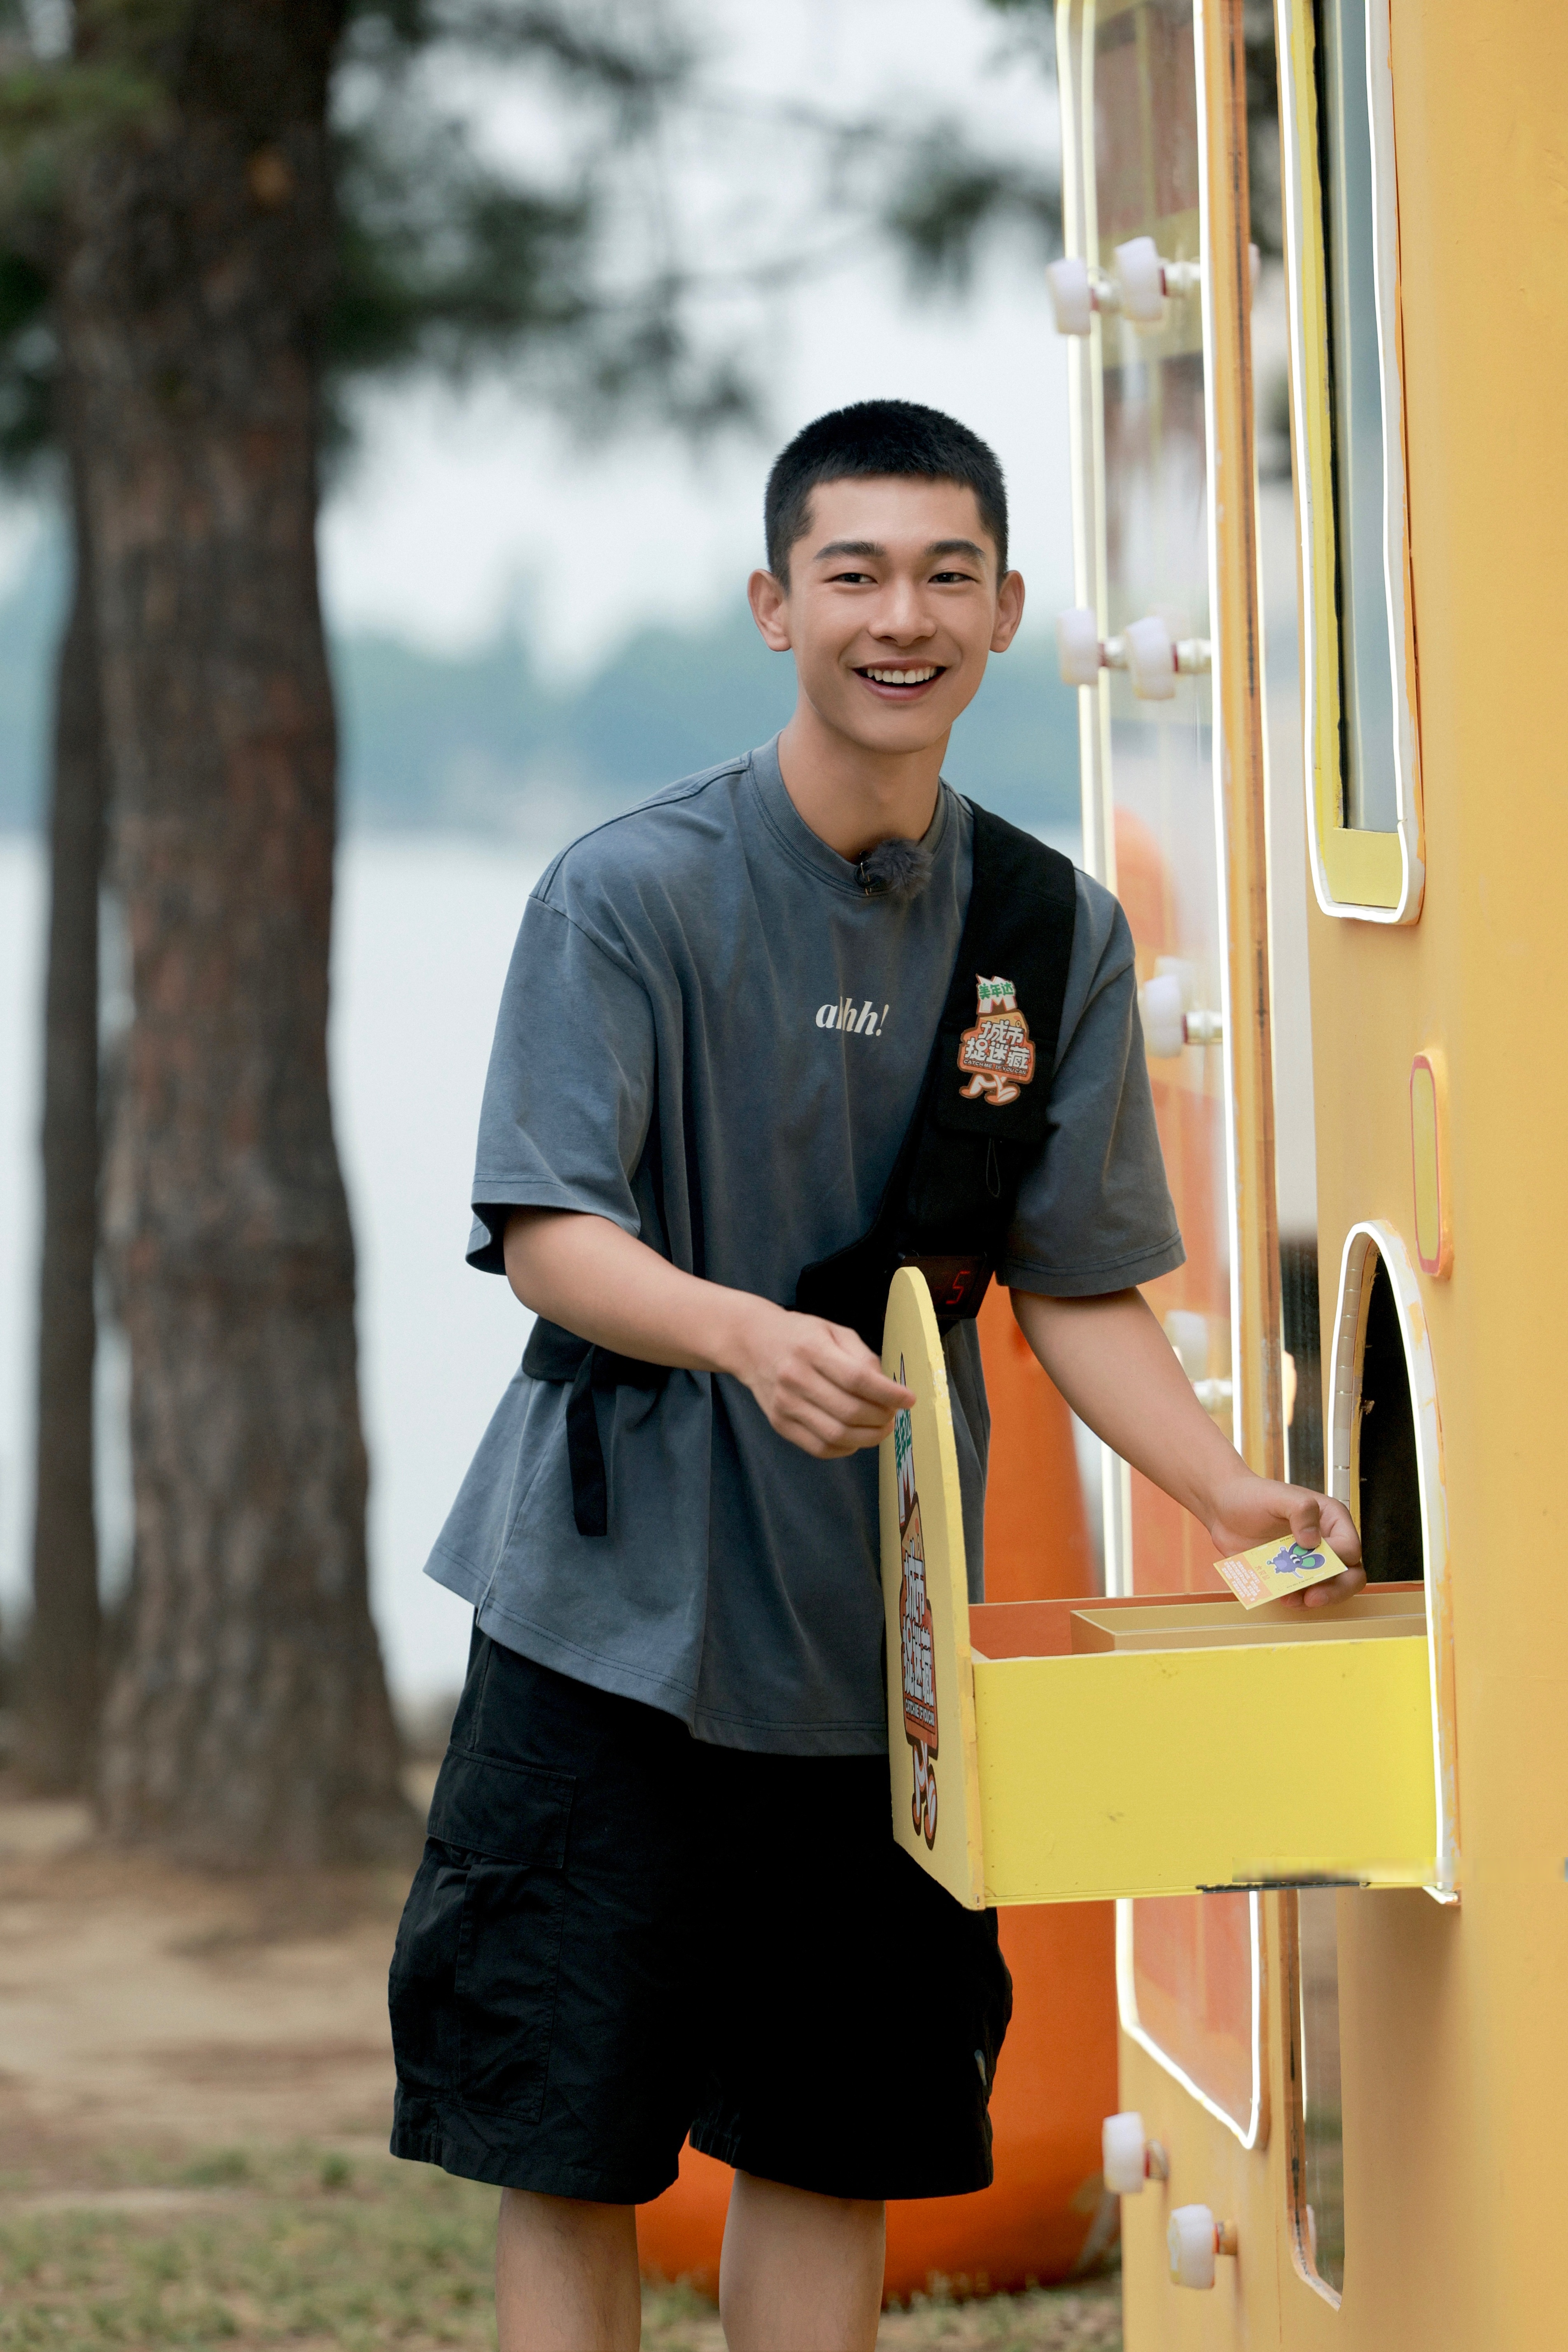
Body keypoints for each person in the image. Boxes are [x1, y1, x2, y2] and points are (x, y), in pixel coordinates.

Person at [387, 399, 1364, 2352]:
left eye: (943, 575)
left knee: (836, 2141)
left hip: (882, 1660)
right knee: (569, 2143)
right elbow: (550, 1239)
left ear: (1003, 610)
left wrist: (1223, 1488)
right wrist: (743, 1333)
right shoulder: (630, 891)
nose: (896, 617)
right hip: (610, 1633)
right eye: (852, 574)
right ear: (775, 605)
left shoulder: (1043, 933)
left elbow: (1078, 1290)